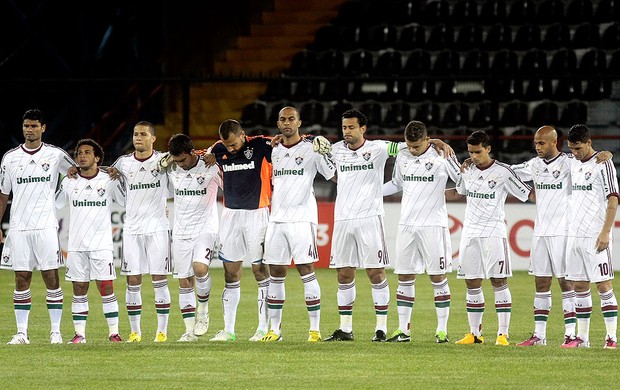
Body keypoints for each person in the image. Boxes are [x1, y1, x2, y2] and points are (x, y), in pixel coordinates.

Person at [0, 108, 76, 345]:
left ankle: (56, 332)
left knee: (51, 276)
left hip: (45, 226)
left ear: (43, 128)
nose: (29, 130)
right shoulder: (10, 158)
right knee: (21, 278)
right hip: (19, 227)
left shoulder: (55, 155)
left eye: (34, 126)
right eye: (26, 126)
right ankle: (22, 333)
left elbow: (78, 172)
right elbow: (3, 195)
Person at [260, 106, 335, 342]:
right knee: (276, 272)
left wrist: (326, 152)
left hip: (302, 219)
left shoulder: (311, 148)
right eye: (282, 119)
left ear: (299, 122)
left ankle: (314, 330)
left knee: (305, 269)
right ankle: (275, 330)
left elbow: (332, 173)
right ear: (278, 123)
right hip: (277, 219)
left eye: (291, 119)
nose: (286, 123)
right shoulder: (272, 150)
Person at [324, 109, 400, 342]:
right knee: (344, 274)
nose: (346, 131)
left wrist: (433, 142)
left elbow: (406, 147)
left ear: (363, 129)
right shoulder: (335, 150)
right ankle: (345, 328)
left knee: (375, 272)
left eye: (351, 127)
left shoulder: (378, 148)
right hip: (343, 219)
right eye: (344, 127)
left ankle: (381, 328)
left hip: (370, 219)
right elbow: (332, 173)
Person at [382, 120, 461, 343]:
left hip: (433, 225)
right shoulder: (403, 155)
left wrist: (446, 193)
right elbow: (396, 183)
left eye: (417, 146)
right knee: (405, 276)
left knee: (438, 276)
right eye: (409, 145)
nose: (413, 150)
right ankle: (403, 330)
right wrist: (373, 193)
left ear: (427, 140)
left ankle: (442, 330)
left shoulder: (442, 155)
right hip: (407, 224)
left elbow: (463, 181)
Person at [454, 130, 532, 346]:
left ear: (488, 149)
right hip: (470, 233)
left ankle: (502, 334)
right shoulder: (467, 169)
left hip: (493, 233)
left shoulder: (504, 172)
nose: (474, 156)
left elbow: (527, 194)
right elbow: (460, 191)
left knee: (498, 281)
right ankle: (474, 334)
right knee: (472, 282)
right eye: (471, 152)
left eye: (478, 152)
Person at [206, 119, 273, 342]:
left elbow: (287, 147)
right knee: (230, 273)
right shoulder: (218, 149)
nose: (231, 149)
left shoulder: (262, 145)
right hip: (231, 215)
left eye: (234, 144)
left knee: (260, 271)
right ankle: (228, 330)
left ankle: (265, 329)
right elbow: (202, 156)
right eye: (228, 145)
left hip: (257, 213)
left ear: (243, 135)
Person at [55, 138, 125, 343]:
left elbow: (124, 199)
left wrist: (116, 175)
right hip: (76, 246)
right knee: (79, 289)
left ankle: (114, 333)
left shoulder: (108, 180)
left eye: (87, 152)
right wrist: (64, 176)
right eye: (79, 153)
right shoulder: (69, 181)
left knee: (106, 288)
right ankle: (80, 335)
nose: (82, 156)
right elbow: (57, 201)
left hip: (101, 245)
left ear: (97, 157)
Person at [111, 121, 173, 343]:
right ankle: (135, 332)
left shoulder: (164, 160)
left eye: (143, 134)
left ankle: (162, 331)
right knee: (132, 280)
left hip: (157, 227)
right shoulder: (123, 163)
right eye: (136, 134)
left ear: (153, 138)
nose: (138, 138)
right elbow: (111, 180)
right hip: (133, 229)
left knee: (159, 279)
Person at [562, 124, 618, 349]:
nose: (575, 153)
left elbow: (613, 198)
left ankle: (611, 337)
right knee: (579, 286)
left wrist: (605, 231)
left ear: (588, 143)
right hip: (575, 235)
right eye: (571, 148)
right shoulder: (572, 162)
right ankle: (583, 338)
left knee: (603, 286)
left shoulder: (603, 163)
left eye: (578, 148)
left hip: (596, 235)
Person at [165, 133, 222, 342]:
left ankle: (203, 311)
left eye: (183, 160)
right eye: (176, 160)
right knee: (184, 280)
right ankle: (189, 331)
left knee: (200, 269)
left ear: (192, 152)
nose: (179, 164)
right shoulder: (171, 168)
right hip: (180, 231)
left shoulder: (210, 166)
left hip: (205, 228)